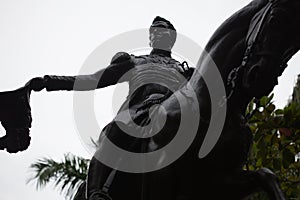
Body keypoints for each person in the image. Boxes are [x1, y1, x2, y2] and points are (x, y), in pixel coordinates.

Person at [27, 16, 194, 200]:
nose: (156, 34)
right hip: (138, 112)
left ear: (172, 38)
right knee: (113, 132)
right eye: (153, 32)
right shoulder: (134, 62)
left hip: (174, 112)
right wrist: (49, 81)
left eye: (161, 30)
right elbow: (92, 80)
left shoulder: (184, 70)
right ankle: (95, 192)